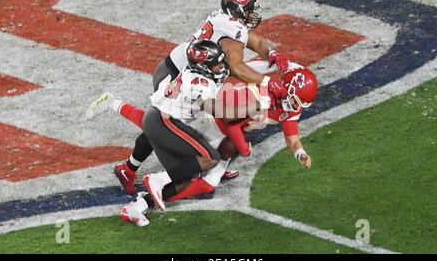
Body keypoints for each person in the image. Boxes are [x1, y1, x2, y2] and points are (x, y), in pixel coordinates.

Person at [86, 0, 291, 195]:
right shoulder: (232, 29)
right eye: (247, 10)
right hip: (179, 74)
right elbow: (237, 66)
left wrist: (271, 52)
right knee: (165, 124)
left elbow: (251, 38)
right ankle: (124, 145)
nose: (250, 14)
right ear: (236, 10)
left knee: (180, 125)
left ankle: (134, 167)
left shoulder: (228, 21)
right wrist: (266, 82)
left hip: (182, 70)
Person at [88, 63, 318, 208]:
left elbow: (291, 136)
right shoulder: (257, 93)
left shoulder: (287, 105)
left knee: (205, 181)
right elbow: (230, 122)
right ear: (285, 89)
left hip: (223, 134)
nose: (294, 107)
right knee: (159, 129)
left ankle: (141, 203)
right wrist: (243, 147)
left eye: (299, 103)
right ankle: (154, 181)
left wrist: (300, 154)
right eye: (295, 100)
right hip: (209, 120)